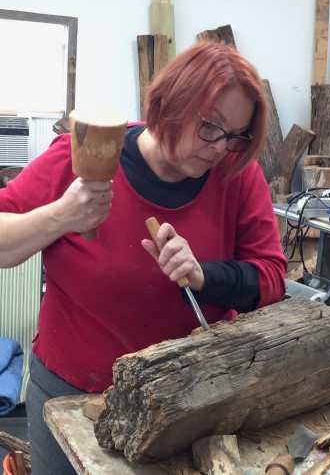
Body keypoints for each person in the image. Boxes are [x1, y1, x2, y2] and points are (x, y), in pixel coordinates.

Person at [0, 40, 287, 474]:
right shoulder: (81, 155)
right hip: (72, 394)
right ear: (171, 103)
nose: (217, 148)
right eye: (210, 126)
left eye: (234, 136)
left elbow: (271, 278)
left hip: (189, 396)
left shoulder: (236, 175)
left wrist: (203, 276)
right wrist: (61, 215)